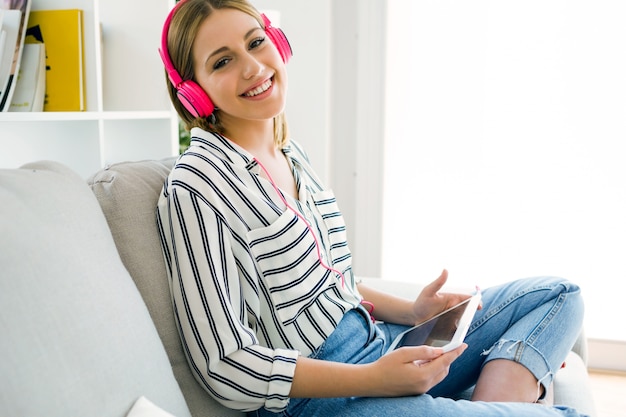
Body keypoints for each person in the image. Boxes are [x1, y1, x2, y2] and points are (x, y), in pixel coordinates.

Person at [156, 1, 588, 416]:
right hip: (320, 398)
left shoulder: (291, 154)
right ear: (193, 93)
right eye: (222, 61)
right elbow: (224, 364)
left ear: (278, 42)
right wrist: (375, 381)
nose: (252, 67)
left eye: (254, 43)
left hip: (381, 344)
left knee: (558, 296)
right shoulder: (197, 184)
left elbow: (329, 282)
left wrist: (413, 313)